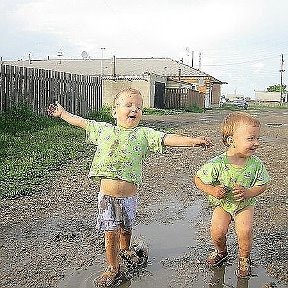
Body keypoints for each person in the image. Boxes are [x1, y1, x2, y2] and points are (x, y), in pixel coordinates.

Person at [47, 88, 213, 287]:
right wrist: (63, 113)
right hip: (107, 197)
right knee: (111, 232)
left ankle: (125, 249)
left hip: (129, 198)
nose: (134, 109)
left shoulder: (144, 134)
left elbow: (166, 138)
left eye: (139, 107)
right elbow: (82, 122)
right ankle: (113, 269)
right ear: (114, 112)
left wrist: (193, 141)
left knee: (126, 228)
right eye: (129, 105)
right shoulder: (104, 130)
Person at [194, 111, 269, 278]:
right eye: (251, 139)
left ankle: (244, 259)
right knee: (217, 231)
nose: (256, 143)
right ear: (230, 140)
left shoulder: (256, 164)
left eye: (258, 138)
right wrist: (212, 190)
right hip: (223, 204)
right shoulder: (217, 163)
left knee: (245, 231)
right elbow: (198, 179)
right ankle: (221, 251)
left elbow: (262, 185)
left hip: (244, 204)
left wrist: (248, 192)